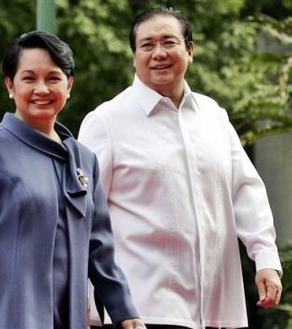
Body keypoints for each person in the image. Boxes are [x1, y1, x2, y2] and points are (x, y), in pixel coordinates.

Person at [78, 6, 283, 329]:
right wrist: (85, 306)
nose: (158, 53)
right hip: (141, 311)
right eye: (147, 45)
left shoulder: (214, 116)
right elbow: (83, 216)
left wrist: (266, 259)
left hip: (218, 309)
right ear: (134, 56)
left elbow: (246, 191)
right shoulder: (106, 121)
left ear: (190, 51)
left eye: (168, 42)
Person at [0, 30, 147, 329]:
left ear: (69, 85)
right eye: (28, 78)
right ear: (10, 85)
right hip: (7, 317)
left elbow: (100, 249)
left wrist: (126, 313)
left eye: (53, 78)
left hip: (70, 318)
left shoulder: (85, 160)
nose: (41, 88)